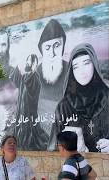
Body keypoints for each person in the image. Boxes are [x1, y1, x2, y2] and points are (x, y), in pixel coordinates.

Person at [49, 43, 109, 153]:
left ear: (94, 64)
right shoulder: (64, 107)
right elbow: (54, 148)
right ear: (71, 72)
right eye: (76, 67)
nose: (81, 71)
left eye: (86, 63)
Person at [36, 19, 69, 148]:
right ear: (42, 50)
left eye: (57, 45)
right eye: (48, 47)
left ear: (63, 46)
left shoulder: (72, 71)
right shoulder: (35, 74)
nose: (53, 53)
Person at [9, 54, 49, 150]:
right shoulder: (25, 76)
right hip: (21, 108)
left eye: (30, 61)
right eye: (27, 60)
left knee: (31, 129)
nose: (28, 62)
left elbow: (33, 93)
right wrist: (18, 68)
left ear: (34, 63)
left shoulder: (35, 77)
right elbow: (16, 81)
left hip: (29, 109)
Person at [0, 28, 18, 147]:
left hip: (9, 131)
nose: (0, 49)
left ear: (8, 47)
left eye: (3, 45)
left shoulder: (13, 72)